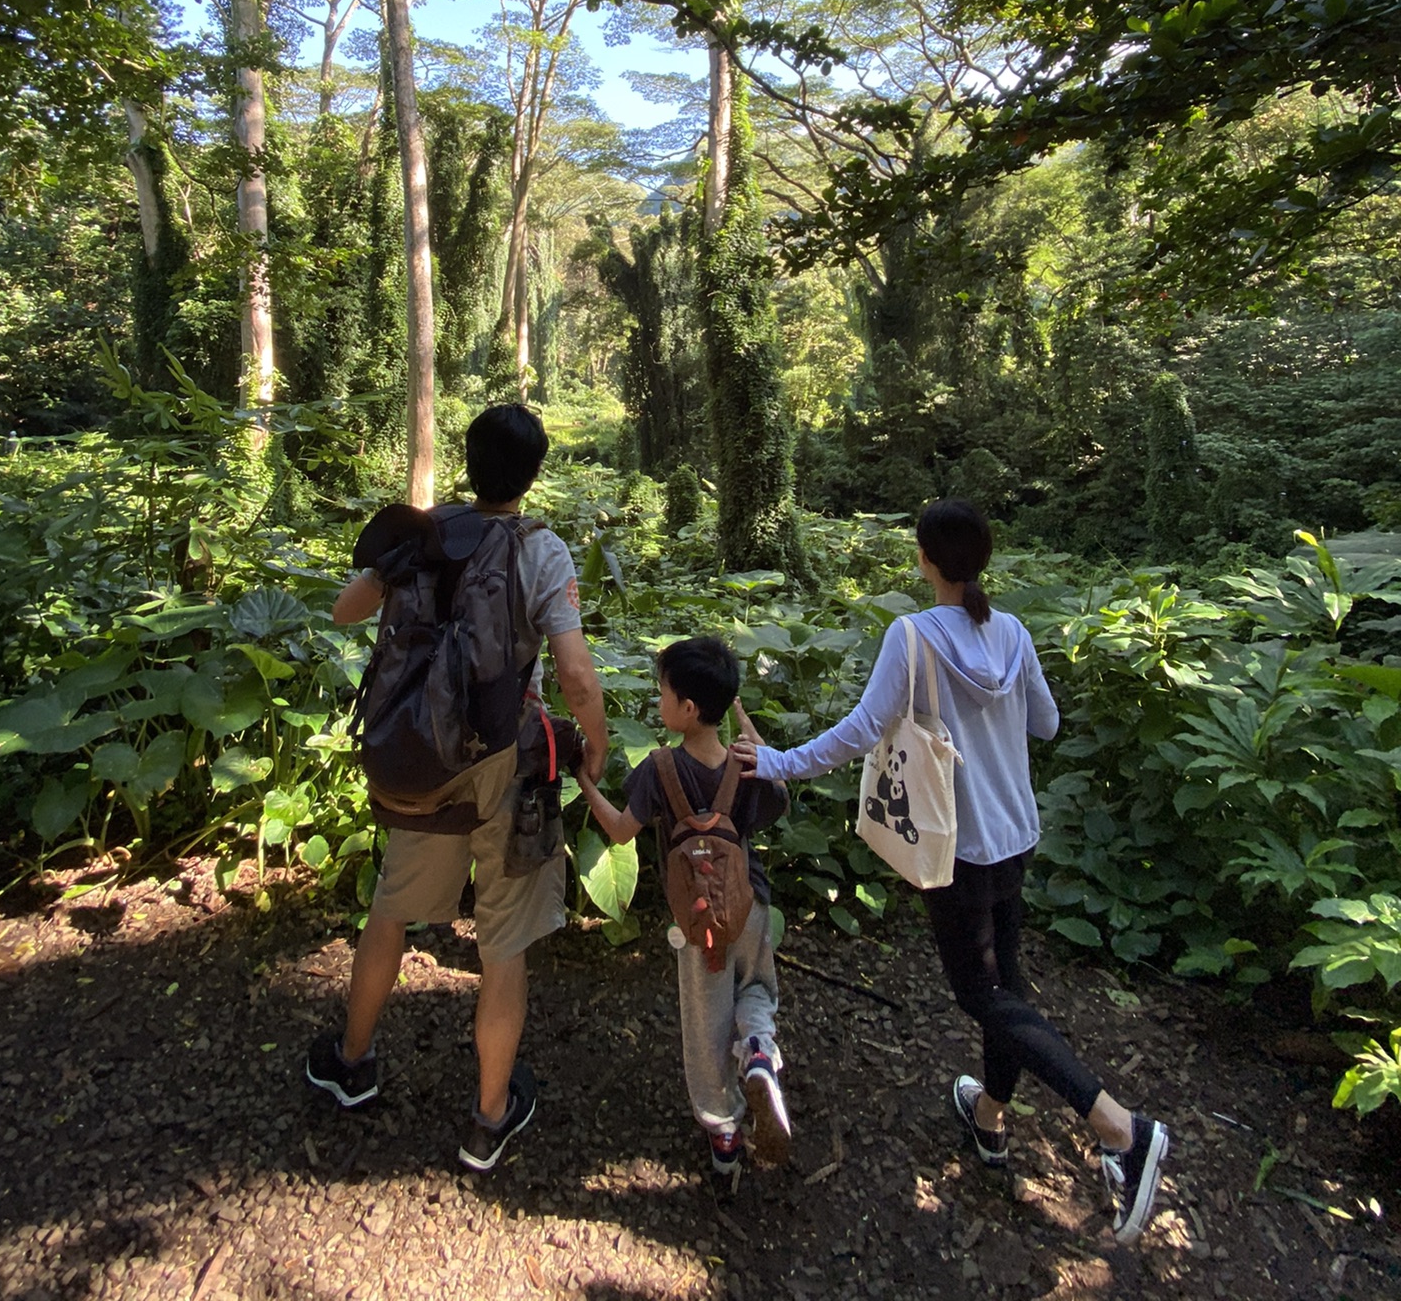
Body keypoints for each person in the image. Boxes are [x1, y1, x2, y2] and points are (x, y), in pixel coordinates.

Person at [732, 499, 1170, 1248]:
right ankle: (990, 1117)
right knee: (1007, 988)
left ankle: (1121, 1128)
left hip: (956, 846)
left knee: (981, 994)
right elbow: (1047, 724)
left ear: (927, 561)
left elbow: (862, 732)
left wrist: (775, 762)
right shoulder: (1012, 631)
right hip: (1016, 833)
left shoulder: (914, 636)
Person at [305, 404, 608, 1174]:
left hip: (423, 762)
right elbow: (574, 674)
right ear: (533, 474)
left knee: (393, 909)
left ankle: (350, 1063)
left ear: (468, 464)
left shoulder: (424, 533)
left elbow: (344, 610)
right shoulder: (540, 550)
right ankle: (489, 1116)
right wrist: (595, 744)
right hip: (502, 765)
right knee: (503, 944)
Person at [576, 636, 792, 1196]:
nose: (659, 701)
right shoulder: (746, 765)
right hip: (751, 903)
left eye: (664, 693)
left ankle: (724, 1136)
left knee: (705, 1021)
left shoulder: (659, 768)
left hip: (698, 921)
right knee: (757, 989)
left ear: (689, 709)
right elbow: (781, 793)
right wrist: (750, 733)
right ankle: (761, 1051)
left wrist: (584, 786)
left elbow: (622, 831)